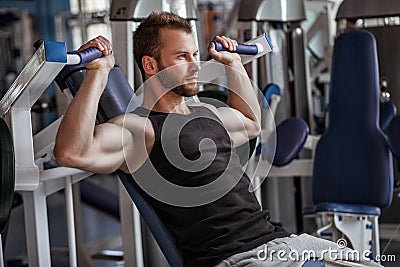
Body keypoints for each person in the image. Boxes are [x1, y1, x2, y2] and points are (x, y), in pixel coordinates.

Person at [54, 12, 382, 267]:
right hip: (236, 258)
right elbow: (71, 151)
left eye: (195, 54)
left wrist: (234, 64)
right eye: (182, 57)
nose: (195, 65)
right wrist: (98, 74)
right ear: (151, 65)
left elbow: (253, 123)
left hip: (281, 242)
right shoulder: (141, 130)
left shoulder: (207, 114)